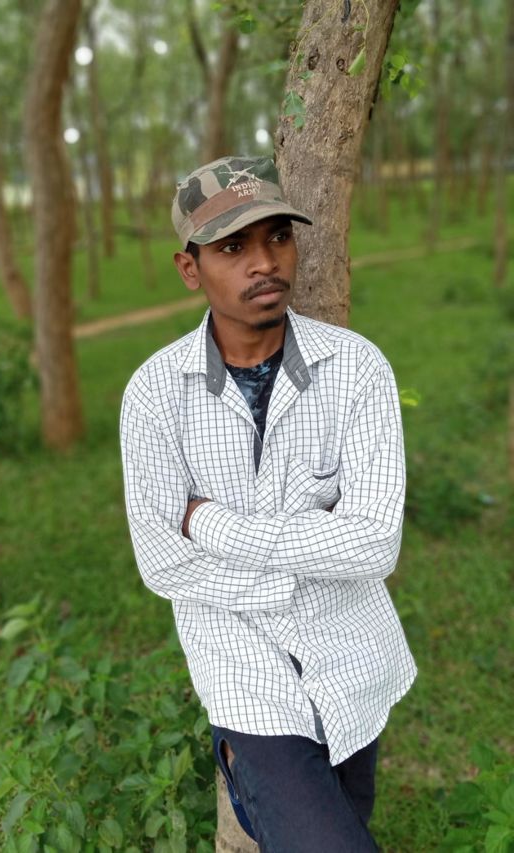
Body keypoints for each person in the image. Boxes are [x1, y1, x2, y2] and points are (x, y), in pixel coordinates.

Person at [120, 155, 416, 851]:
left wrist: (209, 522)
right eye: (232, 247)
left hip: (351, 661)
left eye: (278, 236)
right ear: (189, 268)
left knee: (345, 823)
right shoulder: (155, 395)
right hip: (245, 677)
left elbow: (376, 543)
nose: (265, 262)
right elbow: (163, 561)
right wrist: (308, 554)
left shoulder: (357, 370)